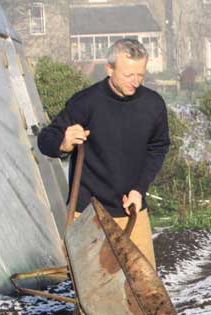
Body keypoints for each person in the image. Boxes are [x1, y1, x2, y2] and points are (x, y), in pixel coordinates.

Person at [38, 38, 170, 268]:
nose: (135, 82)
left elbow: (158, 147)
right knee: (95, 288)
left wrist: (139, 190)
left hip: (132, 211)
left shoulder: (153, 105)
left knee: (142, 284)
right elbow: (45, 140)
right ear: (109, 69)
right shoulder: (86, 102)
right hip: (89, 213)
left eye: (141, 75)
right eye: (128, 75)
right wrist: (65, 143)